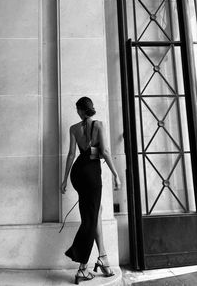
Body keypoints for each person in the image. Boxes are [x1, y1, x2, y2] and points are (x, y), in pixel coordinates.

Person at [61, 96, 121, 285]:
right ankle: (82, 268)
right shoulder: (99, 125)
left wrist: (64, 179)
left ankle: (102, 257)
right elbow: (104, 152)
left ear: (80, 110)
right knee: (91, 218)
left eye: (77, 109)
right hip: (92, 174)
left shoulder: (73, 129)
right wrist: (116, 174)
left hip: (77, 173)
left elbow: (71, 154)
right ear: (91, 109)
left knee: (95, 212)